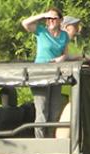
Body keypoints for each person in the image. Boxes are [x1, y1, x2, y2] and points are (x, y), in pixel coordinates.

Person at [21, 7, 70, 138]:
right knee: (42, 111)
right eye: (49, 18)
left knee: (55, 111)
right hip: (40, 74)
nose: (51, 21)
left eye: (54, 18)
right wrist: (42, 15)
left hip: (56, 75)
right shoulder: (41, 31)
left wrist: (62, 58)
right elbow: (25, 23)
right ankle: (40, 142)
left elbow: (66, 53)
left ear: (60, 20)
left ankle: (51, 140)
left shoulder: (64, 35)